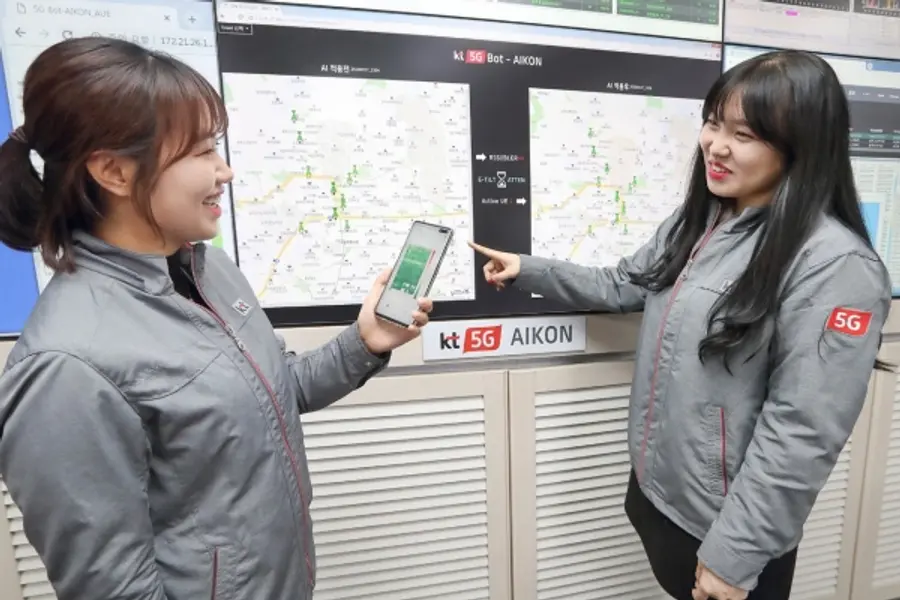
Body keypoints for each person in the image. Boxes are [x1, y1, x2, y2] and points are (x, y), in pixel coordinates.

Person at [0, 37, 433, 600]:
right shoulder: (65, 366)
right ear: (113, 171)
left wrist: (366, 341)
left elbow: (272, 392)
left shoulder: (210, 269)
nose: (224, 171)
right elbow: (113, 587)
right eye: (202, 151)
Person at [470, 49, 893, 600]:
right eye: (713, 123)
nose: (716, 145)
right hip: (659, 499)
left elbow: (802, 432)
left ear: (802, 144)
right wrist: (529, 270)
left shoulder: (836, 266)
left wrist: (734, 558)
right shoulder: (703, 218)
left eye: (744, 134)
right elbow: (626, 282)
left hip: (723, 535)